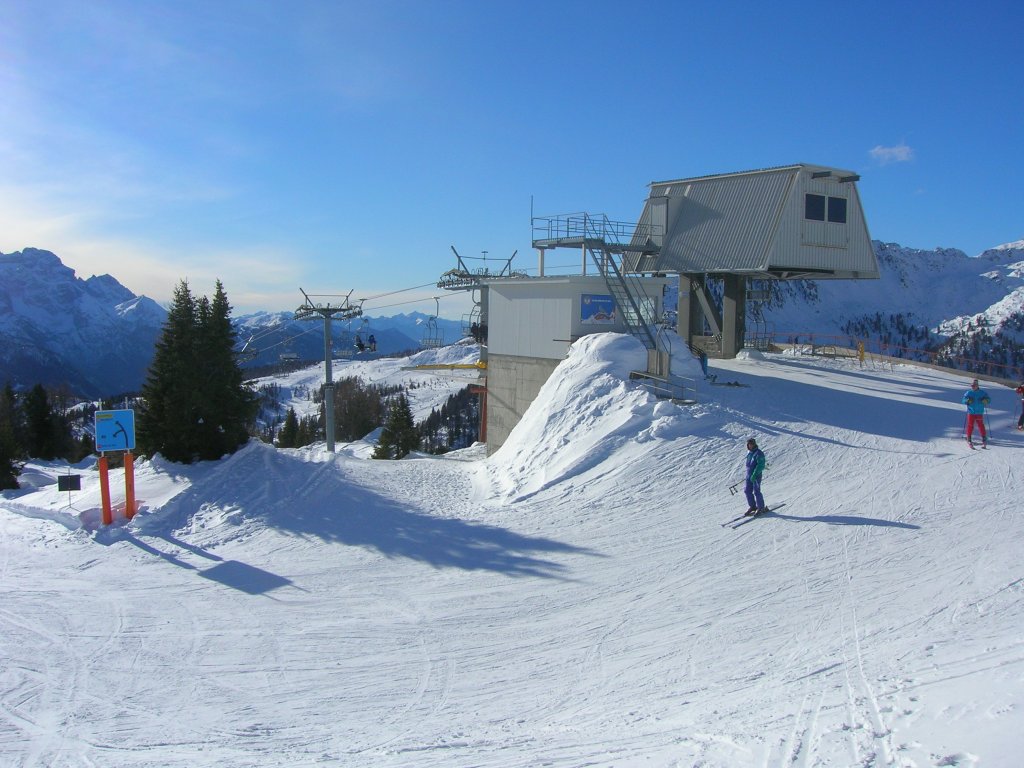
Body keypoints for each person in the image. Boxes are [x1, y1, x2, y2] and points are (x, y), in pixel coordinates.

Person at [962, 379, 990, 447]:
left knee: (981, 425)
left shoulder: (982, 393)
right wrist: (967, 401)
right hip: (971, 412)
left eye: (974, 385)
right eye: (972, 385)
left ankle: (984, 437)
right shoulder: (968, 392)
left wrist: (985, 400)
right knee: (970, 425)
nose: (973, 387)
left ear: (977, 386)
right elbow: (963, 400)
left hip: (979, 412)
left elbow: (988, 400)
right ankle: (969, 437)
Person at [743, 438, 767, 515]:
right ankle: (753, 506)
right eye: (749, 444)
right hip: (749, 476)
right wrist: (748, 474)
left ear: (754, 444)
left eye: (751, 444)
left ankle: (761, 507)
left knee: (756, 491)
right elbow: (749, 465)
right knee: (747, 490)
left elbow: (761, 465)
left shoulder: (759, 453)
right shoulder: (749, 453)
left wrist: (754, 474)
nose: (750, 446)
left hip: (756, 475)